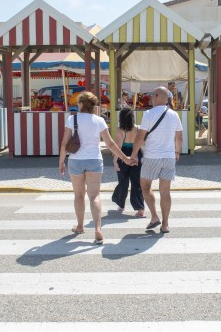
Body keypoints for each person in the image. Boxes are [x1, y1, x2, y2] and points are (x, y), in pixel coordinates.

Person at [58, 91, 134, 245]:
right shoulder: (99, 120)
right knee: (95, 196)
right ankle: (98, 229)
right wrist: (125, 158)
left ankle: (80, 226)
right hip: (94, 160)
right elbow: (110, 143)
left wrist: (61, 161)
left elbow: (64, 143)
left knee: (79, 195)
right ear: (93, 105)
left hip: (76, 160)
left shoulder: (72, 119)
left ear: (80, 104)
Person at [131, 86, 183, 234]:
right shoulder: (174, 115)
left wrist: (134, 154)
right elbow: (179, 137)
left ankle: (154, 216)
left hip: (151, 157)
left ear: (158, 96)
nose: (152, 98)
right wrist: (177, 152)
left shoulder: (148, 114)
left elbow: (140, 137)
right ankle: (165, 224)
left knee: (145, 187)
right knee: (165, 191)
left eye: (153, 96)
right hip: (168, 157)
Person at [111, 108, 145, 218]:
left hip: (123, 154)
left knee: (123, 181)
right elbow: (142, 144)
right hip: (136, 153)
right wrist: (141, 157)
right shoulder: (138, 128)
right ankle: (140, 208)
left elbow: (119, 146)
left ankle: (121, 205)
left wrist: (115, 160)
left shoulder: (119, 129)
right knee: (137, 183)